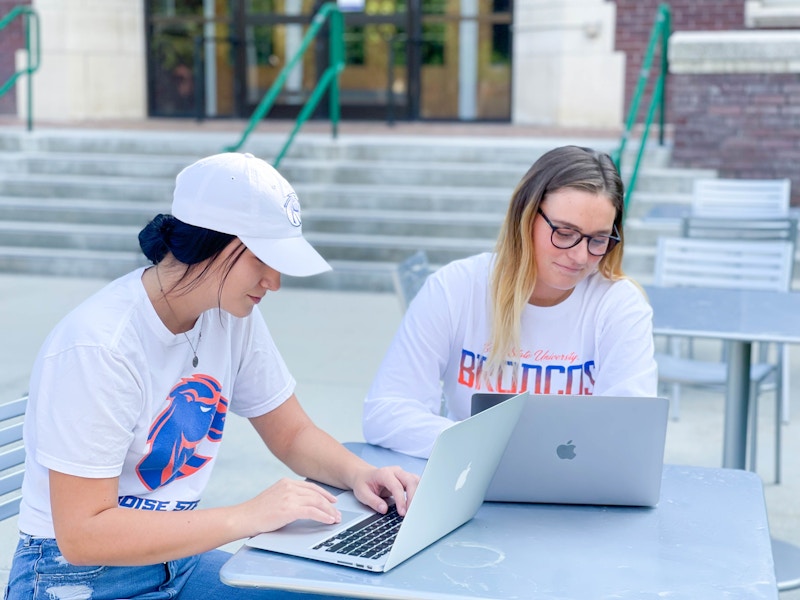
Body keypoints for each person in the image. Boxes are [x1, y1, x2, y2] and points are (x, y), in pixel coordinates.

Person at [6, 152, 419, 599]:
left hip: (177, 562)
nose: (274, 282)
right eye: (263, 258)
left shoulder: (229, 316)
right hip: (77, 579)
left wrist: (361, 474)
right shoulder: (99, 347)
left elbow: (292, 432)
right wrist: (247, 517)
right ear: (209, 243)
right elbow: (83, 535)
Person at [362, 145, 658, 458]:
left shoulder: (619, 305)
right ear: (525, 215)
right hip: (467, 478)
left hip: (573, 493)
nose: (580, 255)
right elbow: (385, 412)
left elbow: (631, 434)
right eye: (565, 232)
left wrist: (495, 446)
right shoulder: (455, 288)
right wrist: (498, 447)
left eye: (598, 239)